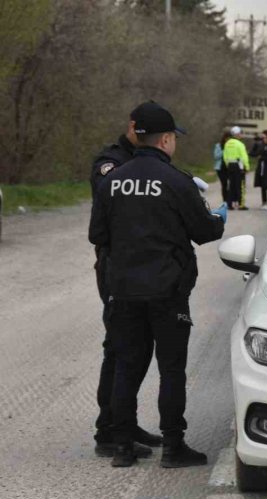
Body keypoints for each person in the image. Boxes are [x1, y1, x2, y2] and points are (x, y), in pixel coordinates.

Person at [89, 101, 227, 468]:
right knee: (171, 369)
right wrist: (218, 216)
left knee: (126, 367)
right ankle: (173, 447)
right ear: (166, 139)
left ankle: (122, 447)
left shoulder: (112, 180)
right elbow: (204, 230)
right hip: (167, 291)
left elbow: (96, 234)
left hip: (122, 291)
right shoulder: (176, 181)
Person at [89, 103, 160, 458]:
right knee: (120, 347)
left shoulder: (146, 161)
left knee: (138, 348)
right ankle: (109, 431)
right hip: (116, 267)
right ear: (133, 127)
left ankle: (125, 421)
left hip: (140, 267)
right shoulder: (111, 161)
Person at [223, 125, 249, 210]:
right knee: (240, 185)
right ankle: (241, 204)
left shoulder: (227, 143)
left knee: (231, 185)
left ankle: (230, 204)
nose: (241, 135)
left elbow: (225, 156)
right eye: (240, 133)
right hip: (239, 166)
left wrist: (228, 165)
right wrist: (247, 167)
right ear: (237, 134)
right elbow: (244, 157)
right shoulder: (240, 144)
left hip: (230, 166)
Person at [213, 131, 229, 200]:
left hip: (229, 167)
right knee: (224, 184)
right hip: (220, 168)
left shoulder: (231, 146)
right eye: (227, 138)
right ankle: (225, 200)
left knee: (230, 185)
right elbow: (216, 156)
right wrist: (224, 150)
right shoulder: (218, 145)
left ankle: (230, 200)